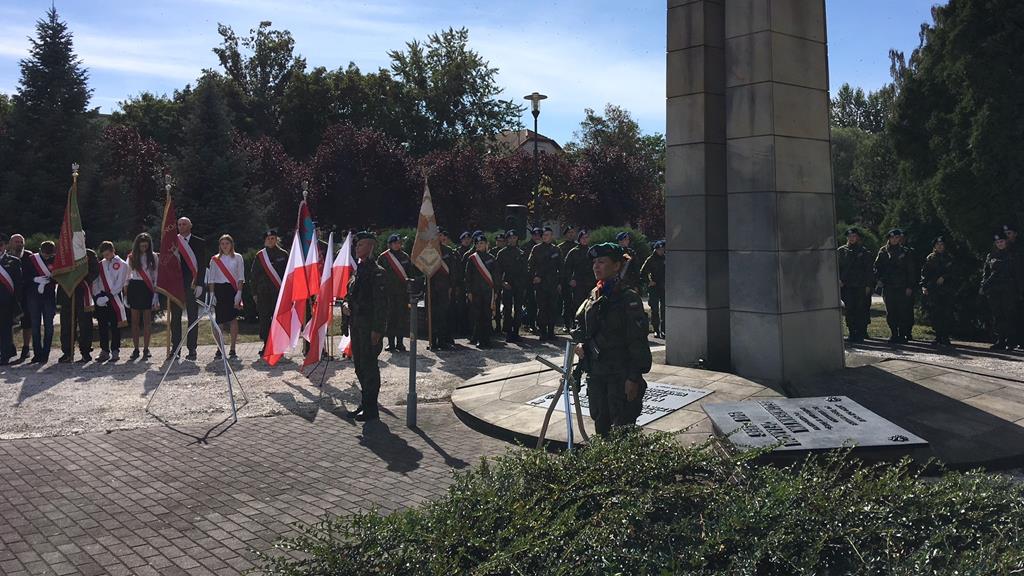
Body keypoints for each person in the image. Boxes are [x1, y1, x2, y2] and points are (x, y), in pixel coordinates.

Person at [570, 242, 653, 437]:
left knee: (622, 429)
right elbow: (579, 325)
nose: (596, 266)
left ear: (616, 266)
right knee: (601, 425)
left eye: (602, 262)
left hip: (620, 373)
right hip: (597, 373)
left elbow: (637, 340)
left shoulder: (627, 298)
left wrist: (633, 377)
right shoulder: (594, 295)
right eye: (594, 262)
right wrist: (580, 343)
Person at [343, 231, 387, 422]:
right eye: (357, 245)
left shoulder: (377, 272)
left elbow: (381, 305)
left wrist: (377, 330)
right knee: (359, 366)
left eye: (360, 245)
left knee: (369, 367)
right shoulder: (357, 270)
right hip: (357, 326)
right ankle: (366, 403)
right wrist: (345, 305)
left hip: (369, 327)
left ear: (370, 247)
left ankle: (371, 409)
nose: (357, 248)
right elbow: (349, 295)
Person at [170, 217, 207, 361]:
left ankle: (192, 349)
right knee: (175, 318)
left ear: (190, 225)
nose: (181, 226)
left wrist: (200, 284)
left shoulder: (199, 242)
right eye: (179, 224)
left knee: (193, 317)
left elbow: (201, 265)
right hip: (176, 285)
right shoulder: (173, 241)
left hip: (192, 284)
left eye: (184, 224)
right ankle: (176, 349)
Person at [57, 240, 98, 363]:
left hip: (82, 292)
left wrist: (80, 281)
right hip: (67, 292)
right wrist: (70, 281)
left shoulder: (89, 254)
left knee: (85, 323)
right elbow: (58, 271)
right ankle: (67, 351)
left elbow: (95, 271)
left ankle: (85, 352)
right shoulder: (64, 254)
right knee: (66, 323)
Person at [874, 228, 917, 344]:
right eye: (892, 237)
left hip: (902, 286)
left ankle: (902, 334)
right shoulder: (883, 252)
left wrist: (910, 286)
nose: (894, 239)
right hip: (888, 286)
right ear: (889, 238)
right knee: (891, 311)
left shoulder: (905, 252)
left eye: (897, 237)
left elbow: (911, 271)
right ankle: (894, 333)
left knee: (902, 311)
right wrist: (879, 279)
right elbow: (876, 267)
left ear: (900, 239)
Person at [249, 229, 288, 357]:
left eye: (273, 238)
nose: (271, 240)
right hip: (263, 292)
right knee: (264, 320)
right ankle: (267, 344)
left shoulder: (284, 254)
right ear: (265, 240)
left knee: (278, 319)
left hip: (278, 293)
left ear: (276, 239)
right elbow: (253, 275)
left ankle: (278, 346)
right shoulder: (260, 256)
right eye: (268, 239)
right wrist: (254, 293)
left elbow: (288, 275)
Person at [206, 234, 245, 359]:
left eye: (227, 243)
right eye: (222, 244)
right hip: (219, 290)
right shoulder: (215, 259)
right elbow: (211, 278)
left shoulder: (238, 258)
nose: (225, 246)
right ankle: (219, 348)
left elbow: (240, 277)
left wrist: (239, 293)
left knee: (233, 319)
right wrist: (212, 294)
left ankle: (233, 349)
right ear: (220, 246)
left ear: (231, 244)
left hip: (232, 290)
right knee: (219, 321)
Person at [980, 231, 1019, 350]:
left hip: (1008, 290)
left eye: (1001, 241)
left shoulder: (1012, 254)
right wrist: (983, 286)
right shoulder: (991, 256)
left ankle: (1011, 340)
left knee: (1009, 315)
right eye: (997, 242)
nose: (1000, 244)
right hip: (994, 291)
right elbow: (986, 273)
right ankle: (1000, 340)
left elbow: (1017, 273)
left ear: (1006, 241)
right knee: (997, 315)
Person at [92, 241, 128, 363]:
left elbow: (120, 283)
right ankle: (104, 351)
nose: (106, 257)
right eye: (104, 255)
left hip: (114, 297)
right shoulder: (100, 264)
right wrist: (97, 296)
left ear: (113, 251)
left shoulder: (122, 264)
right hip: (101, 298)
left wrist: (108, 296)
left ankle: (115, 350)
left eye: (108, 254)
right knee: (102, 325)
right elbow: (96, 281)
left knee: (115, 325)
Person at [377, 234, 415, 352]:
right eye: (395, 243)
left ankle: (400, 343)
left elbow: (410, 274)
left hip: (402, 293)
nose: (397, 245)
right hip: (389, 293)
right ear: (390, 244)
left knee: (401, 318)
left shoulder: (405, 256)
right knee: (390, 318)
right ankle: (390, 343)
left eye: (399, 243)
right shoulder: (383, 257)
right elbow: (378, 275)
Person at [837, 227, 874, 343]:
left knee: (860, 310)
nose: (851, 238)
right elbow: (836, 267)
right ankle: (852, 332)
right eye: (849, 237)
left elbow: (868, 270)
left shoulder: (863, 252)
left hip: (860, 286)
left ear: (857, 238)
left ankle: (860, 333)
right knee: (849, 310)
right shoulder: (841, 251)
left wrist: (868, 285)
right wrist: (838, 280)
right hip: (846, 286)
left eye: (854, 236)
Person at [127, 233, 160, 360]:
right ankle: (136, 349)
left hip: (147, 288)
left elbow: (156, 275)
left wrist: (155, 293)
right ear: (137, 245)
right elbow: (127, 275)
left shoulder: (154, 256)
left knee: (147, 321)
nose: (143, 248)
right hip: (135, 287)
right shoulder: (131, 257)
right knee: (134, 321)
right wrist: (126, 293)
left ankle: (146, 349)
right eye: (141, 246)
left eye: (146, 246)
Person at [25, 241, 56, 364]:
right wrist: (35, 279)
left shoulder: (55, 260)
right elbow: (25, 277)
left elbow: (59, 276)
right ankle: (37, 354)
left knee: (49, 327)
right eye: (45, 254)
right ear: (40, 250)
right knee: (35, 326)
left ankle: (45, 354)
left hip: (49, 297)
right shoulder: (32, 259)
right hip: (34, 297)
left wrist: (49, 280)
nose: (47, 257)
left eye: (49, 255)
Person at [920, 236, 955, 347]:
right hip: (933, 290)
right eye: (938, 245)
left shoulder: (949, 258)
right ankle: (938, 335)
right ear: (934, 246)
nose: (940, 247)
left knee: (946, 314)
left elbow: (954, 272)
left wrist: (944, 277)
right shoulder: (930, 258)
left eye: (942, 245)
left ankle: (945, 336)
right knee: (935, 314)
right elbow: (924, 274)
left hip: (946, 290)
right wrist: (924, 286)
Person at [528, 226, 561, 341]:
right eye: (545, 235)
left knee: (552, 308)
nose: (547, 237)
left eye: (549, 235)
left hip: (552, 283)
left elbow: (561, 268)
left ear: (552, 236)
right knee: (542, 308)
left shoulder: (556, 250)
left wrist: (560, 283)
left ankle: (551, 332)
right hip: (541, 284)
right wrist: (534, 277)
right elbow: (530, 266)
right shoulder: (536, 249)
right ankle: (543, 332)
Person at [465, 233, 497, 348]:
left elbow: (496, 276)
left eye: (482, 243)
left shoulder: (491, 258)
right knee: (478, 316)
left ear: (486, 244)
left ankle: (487, 339)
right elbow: (468, 277)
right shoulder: (472, 259)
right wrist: (468, 291)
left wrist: (496, 292)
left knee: (487, 316)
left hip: (488, 292)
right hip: (476, 292)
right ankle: (479, 339)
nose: (479, 245)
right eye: (477, 243)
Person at [495, 229, 528, 343]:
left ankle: (516, 332)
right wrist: (502, 283)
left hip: (519, 285)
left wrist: (523, 286)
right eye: (510, 238)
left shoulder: (521, 253)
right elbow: (497, 272)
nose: (512, 240)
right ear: (507, 239)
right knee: (507, 309)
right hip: (507, 284)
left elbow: (525, 271)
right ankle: (508, 332)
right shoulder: (502, 253)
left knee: (518, 309)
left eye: (514, 238)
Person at [429, 228, 458, 350]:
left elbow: (453, 271)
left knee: (442, 315)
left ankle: (442, 340)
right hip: (431, 288)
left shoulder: (448, 251)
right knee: (432, 315)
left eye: (440, 235)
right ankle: (432, 341)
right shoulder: (429, 251)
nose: (438, 237)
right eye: (436, 235)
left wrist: (451, 287)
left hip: (444, 288)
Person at [564, 230, 595, 329]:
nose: (585, 240)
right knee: (577, 304)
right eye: (583, 238)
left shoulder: (592, 251)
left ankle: (588, 324)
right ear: (579, 239)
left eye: (587, 237)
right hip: (578, 283)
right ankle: (576, 324)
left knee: (590, 305)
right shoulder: (574, 252)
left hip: (590, 283)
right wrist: (570, 279)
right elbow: (567, 268)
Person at [8, 234, 31, 362]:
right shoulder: (5, 257)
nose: (19, 244)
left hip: (27, 295)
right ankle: (10, 347)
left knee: (27, 322)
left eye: (21, 242)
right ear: (10, 243)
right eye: (16, 242)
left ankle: (26, 348)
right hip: (9, 296)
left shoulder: (29, 256)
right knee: (9, 323)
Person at [0, 234, 22, 365]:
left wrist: (16, 301)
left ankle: (5, 355)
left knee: (5, 328)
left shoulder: (13, 261)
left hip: (6, 301)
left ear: (4, 246)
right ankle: (8, 350)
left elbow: (18, 284)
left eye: (0, 245)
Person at [640, 239, 666, 339]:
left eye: (662, 249)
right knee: (655, 309)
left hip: (663, 287)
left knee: (664, 309)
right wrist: (648, 281)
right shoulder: (650, 259)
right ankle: (656, 330)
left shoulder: (665, 258)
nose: (661, 251)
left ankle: (664, 330)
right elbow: (642, 273)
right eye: (659, 249)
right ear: (656, 249)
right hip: (654, 287)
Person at [1004, 224, 1023, 350]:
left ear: (1015, 234)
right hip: (1007, 287)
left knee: (1020, 314)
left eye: (1010, 233)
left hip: (1019, 285)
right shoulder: (1003, 249)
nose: (1008, 236)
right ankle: (1010, 341)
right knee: (1009, 314)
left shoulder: (1020, 248)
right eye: (1006, 234)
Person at [558, 225, 579, 330]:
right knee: (566, 303)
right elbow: (560, 265)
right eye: (569, 232)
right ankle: (566, 324)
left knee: (576, 303)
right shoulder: (560, 247)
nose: (571, 234)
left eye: (572, 232)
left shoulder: (578, 247)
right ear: (565, 234)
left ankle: (576, 323)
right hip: (565, 279)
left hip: (577, 280)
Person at [524, 227, 543, 333]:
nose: (537, 237)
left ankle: (541, 324)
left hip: (544, 280)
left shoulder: (545, 247)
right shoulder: (526, 247)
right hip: (530, 280)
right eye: (534, 235)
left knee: (542, 304)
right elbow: (525, 265)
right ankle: (531, 324)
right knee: (531, 303)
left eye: (539, 235)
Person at [490, 232, 506, 333]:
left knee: (505, 305)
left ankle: (501, 327)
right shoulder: (491, 252)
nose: (499, 243)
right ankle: (494, 326)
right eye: (498, 241)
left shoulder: (505, 252)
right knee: (494, 304)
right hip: (494, 283)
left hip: (505, 281)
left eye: (501, 241)